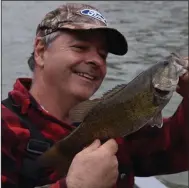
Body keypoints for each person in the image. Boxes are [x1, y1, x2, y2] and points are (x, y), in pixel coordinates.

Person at [2, 3, 189, 188]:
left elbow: (178, 148)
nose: (96, 60)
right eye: (80, 47)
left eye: (103, 54)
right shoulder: (6, 127)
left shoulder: (112, 121)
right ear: (41, 51)